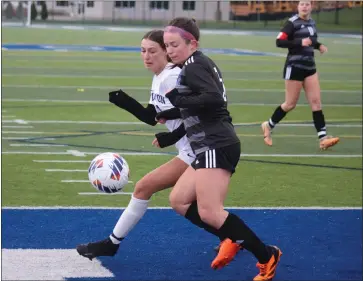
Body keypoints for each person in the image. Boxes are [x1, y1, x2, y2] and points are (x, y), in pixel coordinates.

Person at [162, 17, 281, 281]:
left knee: (209, 212)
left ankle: (266, 255)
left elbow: (213, 99)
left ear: (192, 44)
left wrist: (177, 99)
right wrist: (173, 110)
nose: (169, 50)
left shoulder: (193, 66)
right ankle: (232, 237)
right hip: (210, 144)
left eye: (174, 45)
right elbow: (205, 101)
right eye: (166, 45)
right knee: (179, 200)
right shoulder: (196, 63)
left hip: (215, 143)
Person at [76, 29, 197, 260]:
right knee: (204, 206)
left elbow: (192, 112)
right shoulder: (159, 76)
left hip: (196, 150)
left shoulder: (171, 76)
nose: (146, 56)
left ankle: (111, 243)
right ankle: (232, 237)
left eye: (153, 51)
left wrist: (170, 138)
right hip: (188, 149)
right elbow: (151, 117)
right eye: (143, 51)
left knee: (144, 188)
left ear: (166, 52)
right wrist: (124, 101)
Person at [261, 0, 339, 150]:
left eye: (307, 4)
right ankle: (268, 125)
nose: (304, 7)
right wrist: (299, 42)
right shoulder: (291, 23)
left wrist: (318, 45)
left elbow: (311, 40)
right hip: (294, 67)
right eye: (302, 4)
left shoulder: (312, 23)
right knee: (290, 104)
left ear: (311, 7)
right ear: (297, 7)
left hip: (310, 68)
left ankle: (323, 138)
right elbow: (279, 42)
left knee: (316, 102)